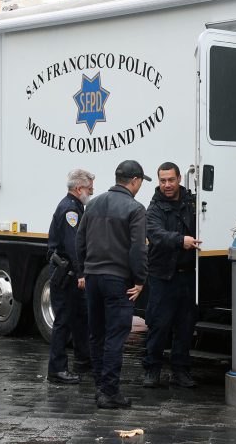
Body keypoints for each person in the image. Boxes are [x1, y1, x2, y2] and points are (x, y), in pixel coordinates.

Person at [77, 160, 150, 409]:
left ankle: (100, 387)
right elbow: (138, 249)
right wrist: (140, 280)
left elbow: (80, 240)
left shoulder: (93, 204)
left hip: (93, 278)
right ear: (135, 181)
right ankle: (109, 392)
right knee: (115, 336)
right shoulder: (135, 208)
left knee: (96, 334)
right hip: (118, 280)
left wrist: (84, 269)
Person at [142, 162, 201, 389]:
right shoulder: (154, 208)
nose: (167, 185)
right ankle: (152, 370)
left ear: (179, 179)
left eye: (171, 180)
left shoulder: (192, 203)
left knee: (186, 327)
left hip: (188, 276)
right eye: (163, 180)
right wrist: (180, 240)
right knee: (159, 325)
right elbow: (156, 234)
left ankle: (180, 371)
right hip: (162, 276)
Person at [46, 169, 95, 385]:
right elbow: (73, 246)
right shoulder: (70, 210)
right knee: (64, 322)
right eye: (89, 189)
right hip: (67, 275)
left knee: (80, 318)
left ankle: (83, 360)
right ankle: (56, 370)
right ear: (79, 188)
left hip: (70, 275)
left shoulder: (75, 206)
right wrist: (82, 273)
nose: (91, 192)